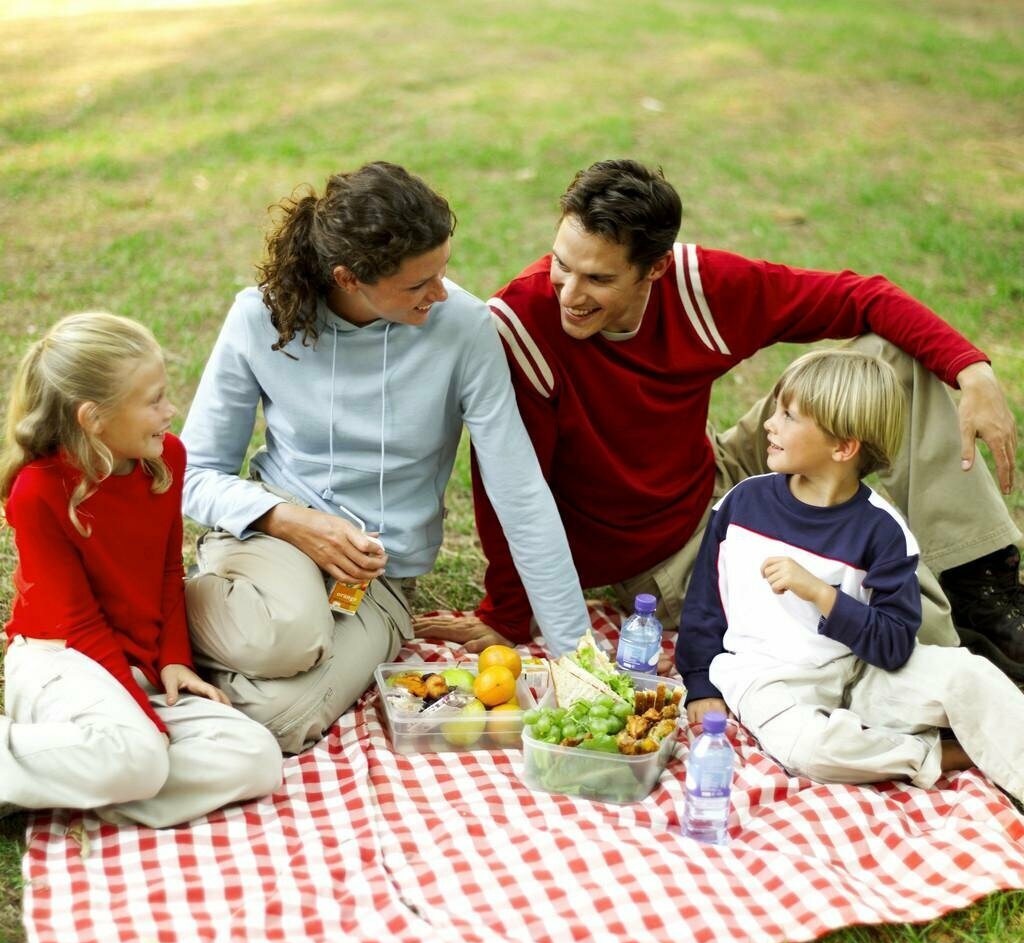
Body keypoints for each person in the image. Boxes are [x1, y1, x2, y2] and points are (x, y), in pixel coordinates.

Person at [417, 158, 1023, 683]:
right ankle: (943, 650)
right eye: (561, 264)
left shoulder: (697, 288)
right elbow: (510, 484)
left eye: (599, 278)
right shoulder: (523, 324)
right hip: (663, 553)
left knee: (891, 357)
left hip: (716, 470)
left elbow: (860, 296)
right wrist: (506, 614)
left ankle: (983, 586)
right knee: (843, 598)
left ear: (653, 268)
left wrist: (972, 370)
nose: (568, 291)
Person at [181, 161, 589, 754]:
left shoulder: (465, 329)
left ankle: (192, 664)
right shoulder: (260, 317)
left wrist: (577, 656)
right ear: (349, 278)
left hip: (378, 579)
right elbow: (194, 473)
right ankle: (161, 617)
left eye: (443, 270)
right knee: (287, 636)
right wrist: (288, 519)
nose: (440, 292)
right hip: (274, 538)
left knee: (282, 719)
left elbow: (520, 489)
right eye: (419, 283)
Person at [673, 349, 1024, 803]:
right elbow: (704, 605)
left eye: (788, 415)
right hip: (766, 681)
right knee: (811, 750)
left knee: (969, 674)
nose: (769, 424)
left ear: (842, 447)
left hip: (862, 673)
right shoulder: (742, 506)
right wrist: (700, 683)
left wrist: (823, 595)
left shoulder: (883, 531)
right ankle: (934, 754)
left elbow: (896, 644)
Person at [0, 313, 282, 827]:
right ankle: (42, 761)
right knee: (140, 753)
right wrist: (146, 721)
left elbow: (168, 573)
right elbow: (78, 622)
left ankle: (74, 776)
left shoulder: (166, 459)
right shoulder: (39, 492)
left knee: (256, 757)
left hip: (138, 663)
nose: (170, 411)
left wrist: (174, 659)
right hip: (62, 659)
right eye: (153, 400)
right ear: (94, 418)